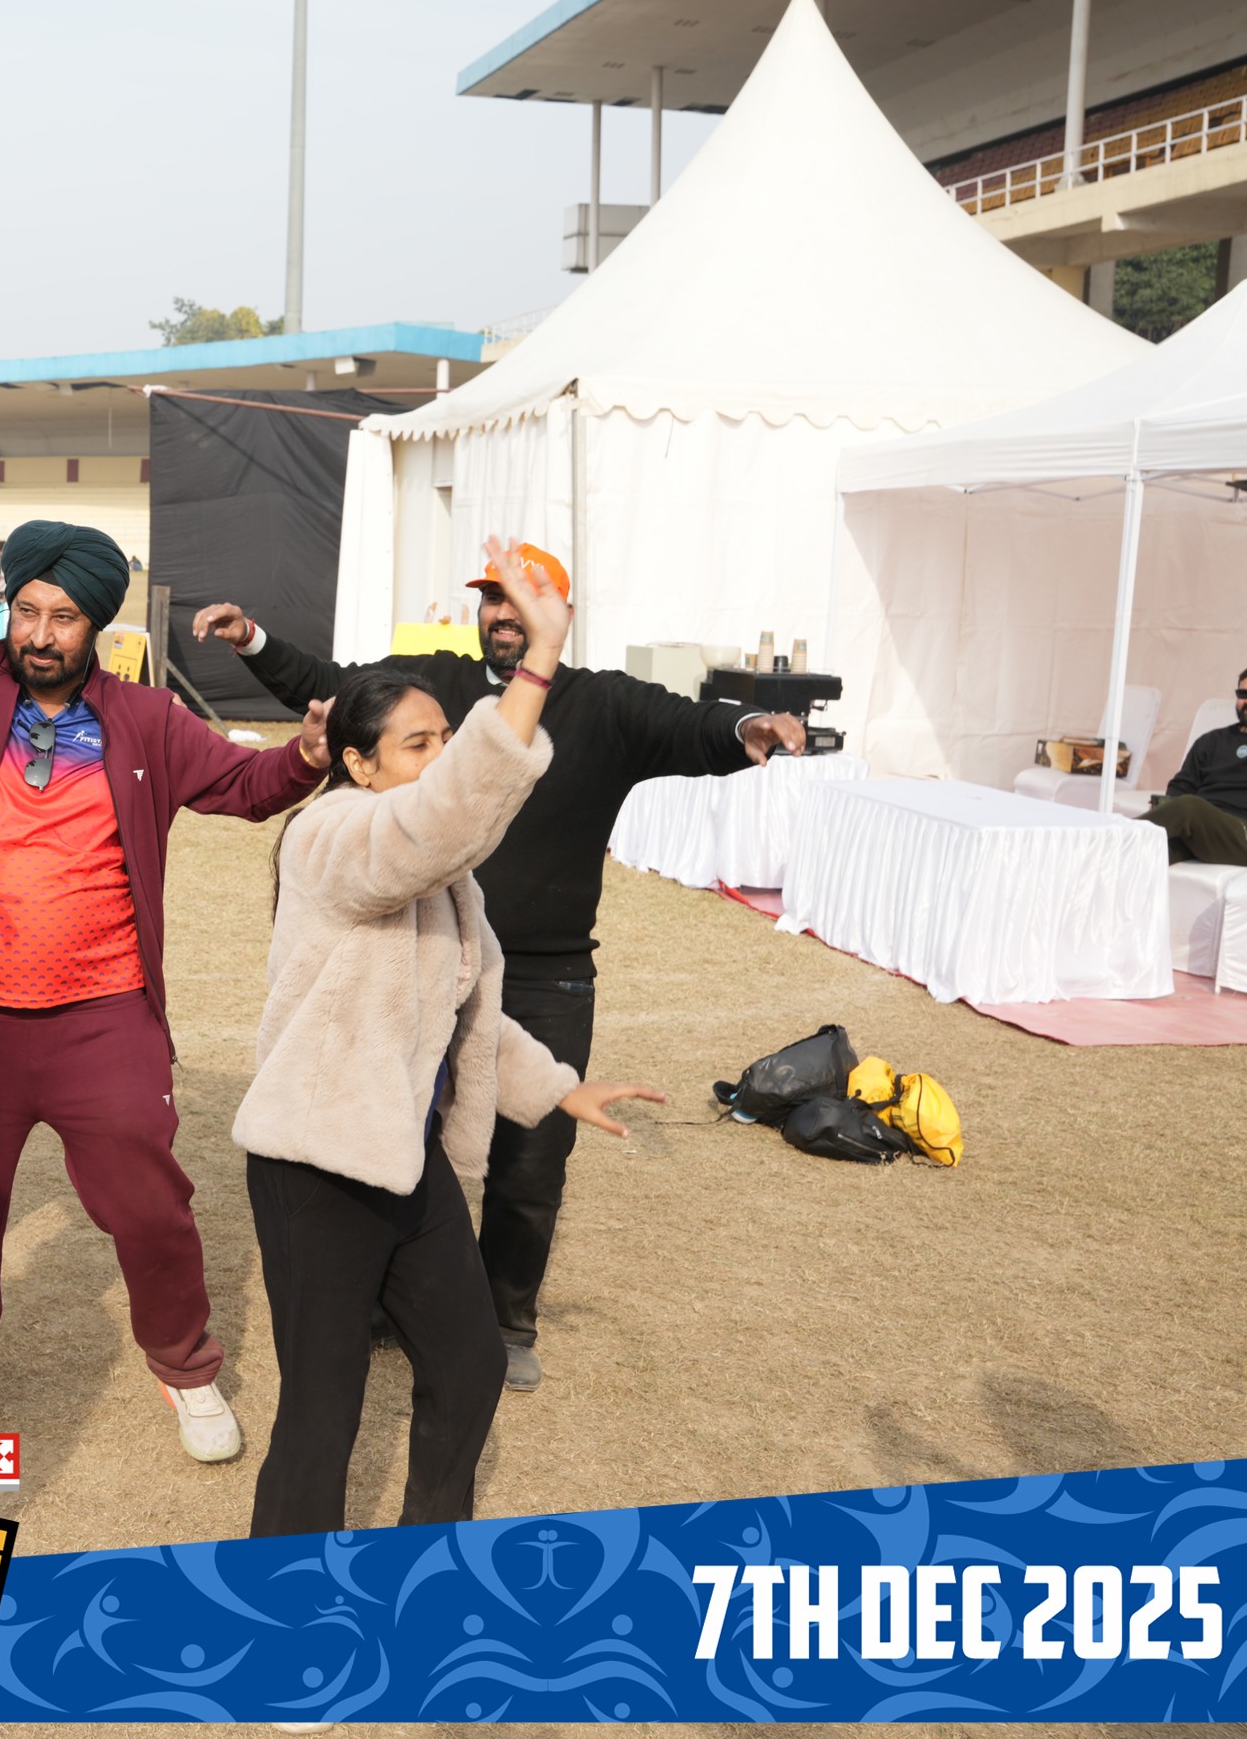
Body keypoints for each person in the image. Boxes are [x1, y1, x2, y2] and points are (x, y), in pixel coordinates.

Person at [195, 547, 805, 1392]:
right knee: (401, 1128)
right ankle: (385, 1303)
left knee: (531, 1164)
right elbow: (332, 686)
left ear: (558, 613)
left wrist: (747, 730)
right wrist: (254, 641)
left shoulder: (604, 702)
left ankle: (506, 1319)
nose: (503, 614)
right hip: (423, 956)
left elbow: (688, 725)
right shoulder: (437, 687)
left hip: (548, 976)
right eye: (492, 599)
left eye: (522, 600)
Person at [0, 477, 327, 1461]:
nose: (39, 633)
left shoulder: (145, 716)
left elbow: (243, 784)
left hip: (104, 1012)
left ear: (95, 624)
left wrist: (307, 755)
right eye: (25, 609)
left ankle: (185, 1366)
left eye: (63, 617)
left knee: (149, 1204)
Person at [232, 543, 664, 1537]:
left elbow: (466, 1008)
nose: (436, 759)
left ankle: (429, 1562)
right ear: (357, 763)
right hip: (316, 1164)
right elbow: (442, 820)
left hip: (405, 1158)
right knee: (322, 1410)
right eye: (417, 744)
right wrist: (540, 659)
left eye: (445, 739)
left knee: (469, 1365)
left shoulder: (443, 881)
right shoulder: (334, 839)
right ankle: (284, 1601)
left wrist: (557, 1088)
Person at [1145, 665, 1247, 866]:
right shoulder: (1212, 740)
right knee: (1144, 856)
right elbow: (1181, 786)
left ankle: (1112, 836)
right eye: (1243, 693)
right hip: (1199, 829)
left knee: (1189, 807)